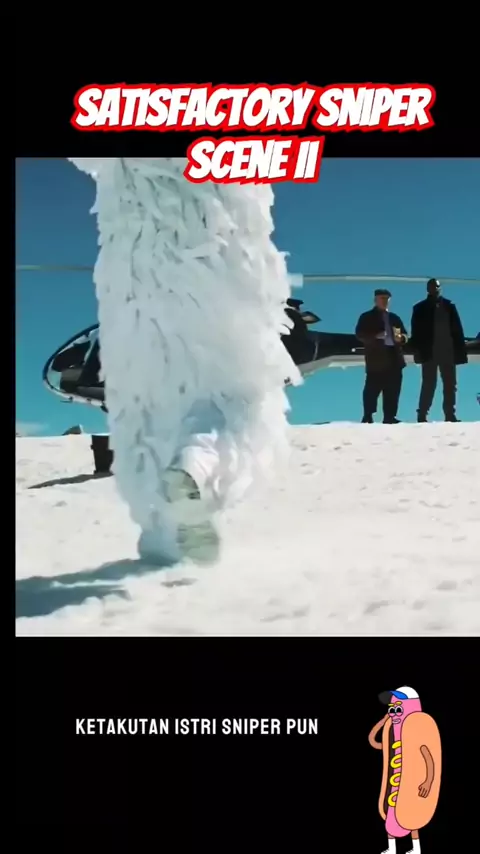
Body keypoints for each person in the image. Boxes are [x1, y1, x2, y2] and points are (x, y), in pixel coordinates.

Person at [411, 279, 468, 422]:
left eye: (436, 286)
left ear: (440, 288)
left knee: (450, 384)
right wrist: (417, 352)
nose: (434, 289)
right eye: (431, 286)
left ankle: (450, 414)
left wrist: (459, 352)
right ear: (427, 289)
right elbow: (416, 332)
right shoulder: (419, 308)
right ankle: (422, 414)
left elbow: (457, 330)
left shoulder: (449, 306)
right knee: (428, 384)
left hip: (447, 351)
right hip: (428, 352)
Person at [355, 289, 408, 424]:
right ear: (375, 300)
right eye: (382, 298)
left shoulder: (394, 318)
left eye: (387, 299)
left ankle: (389, 416)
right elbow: (360, 334)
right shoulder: (366, 317)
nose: (385, 301)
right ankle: (368, 415)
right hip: (376, 358)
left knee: (393, 389)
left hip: (394, 357)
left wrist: (402, 338)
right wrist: (375, 336)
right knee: (372, 389)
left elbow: (405, 334)